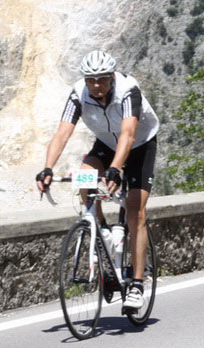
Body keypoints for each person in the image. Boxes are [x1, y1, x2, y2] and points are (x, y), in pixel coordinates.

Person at [35, 50, 159, 311]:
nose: (96, 85)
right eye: (91, 79)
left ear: (112, 77)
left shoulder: (128, 90)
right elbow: (62, 133)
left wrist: (115, 169)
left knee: (136, 209)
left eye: (101, 79)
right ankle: (100, 227)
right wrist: (47, 168)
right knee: (84, 175)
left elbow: (127, 134)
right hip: (105, 142)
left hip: (139, 145)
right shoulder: (78, 92)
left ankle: (137, 282)